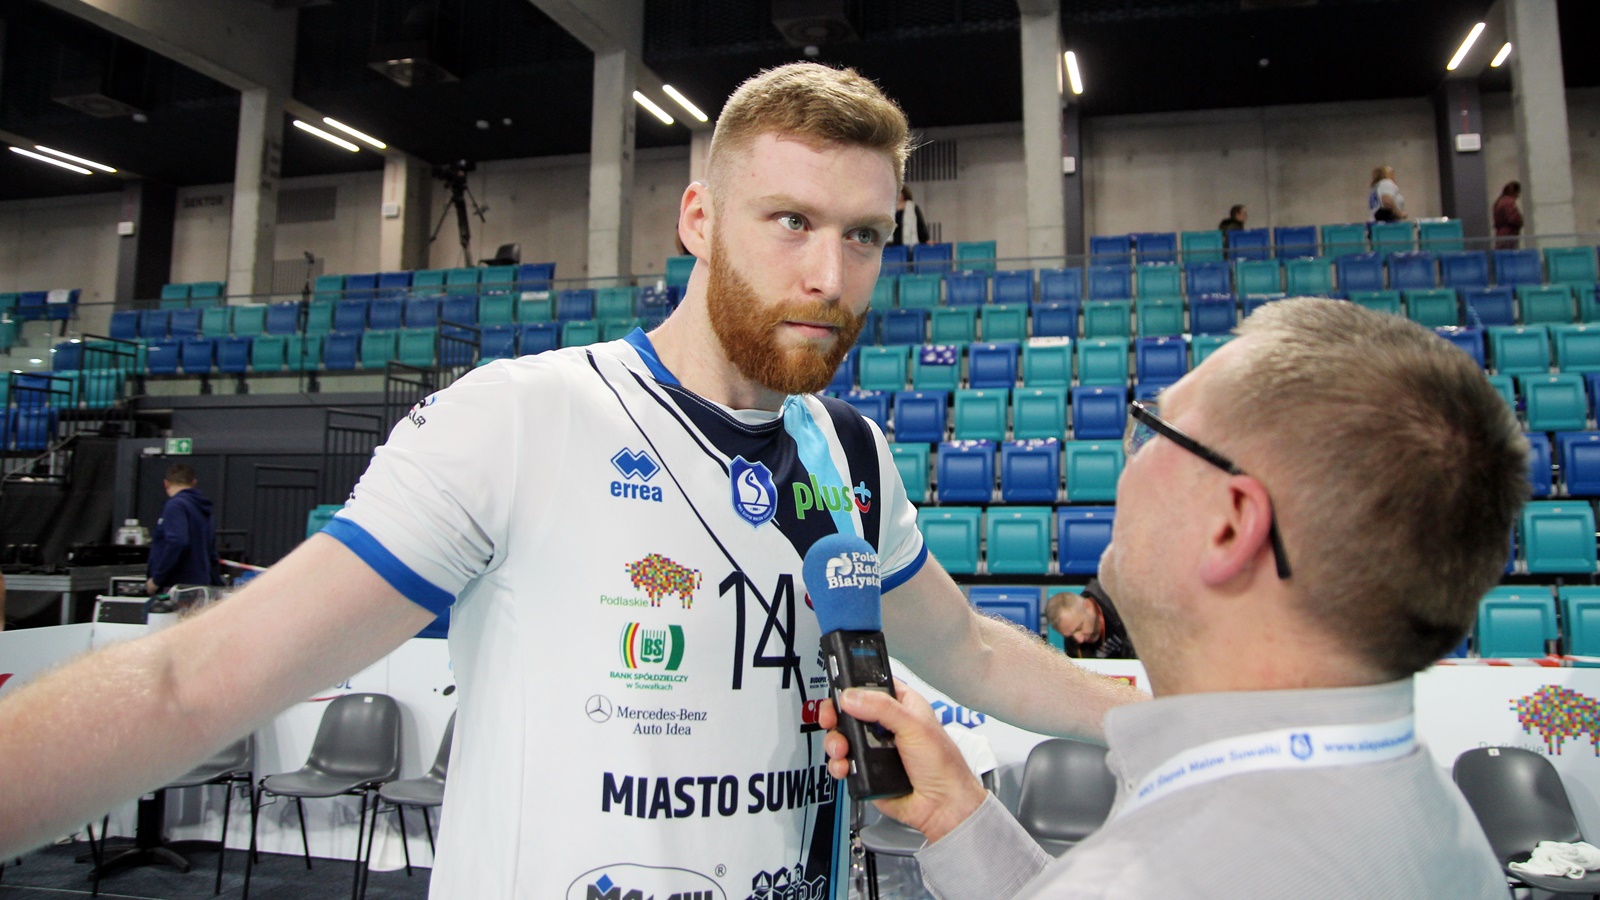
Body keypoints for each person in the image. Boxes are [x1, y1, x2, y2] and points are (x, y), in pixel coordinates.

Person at [0, 63, 1139, 897]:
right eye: (790, 221)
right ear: (699, 220)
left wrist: (1177, 720)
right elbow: (190, 684)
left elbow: (974, 652)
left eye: (864, 236)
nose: (829, 275)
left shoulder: (852, 453)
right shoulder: (518, 419)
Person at [823, 298, 1524, 899]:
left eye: (1155, 431)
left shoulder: (1158, 872)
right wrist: (958, 815)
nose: (1127, 460)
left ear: (1230, 525)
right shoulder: (1437, 815)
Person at [145, 463, 219, 595]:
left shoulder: (175, 505)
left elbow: (178, 542)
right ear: (194, 482)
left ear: (166, 484)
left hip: (176, 587)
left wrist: (157, 579)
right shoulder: (204, 509)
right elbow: (211, 552)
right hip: (200, 584)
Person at [1045, 577, 1133, 659]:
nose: (1079, 639)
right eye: (1070, 635)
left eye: (1079, 628)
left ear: (1089, 606)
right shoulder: (1072, 640)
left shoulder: (1120, 603)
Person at [1493, 181, 1523, 249]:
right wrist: (1520, 221)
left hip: (1500, 234)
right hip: (1509, 234)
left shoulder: (1499, 201)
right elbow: (1513, 218)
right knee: (1509, 252)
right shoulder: (1508, 202)